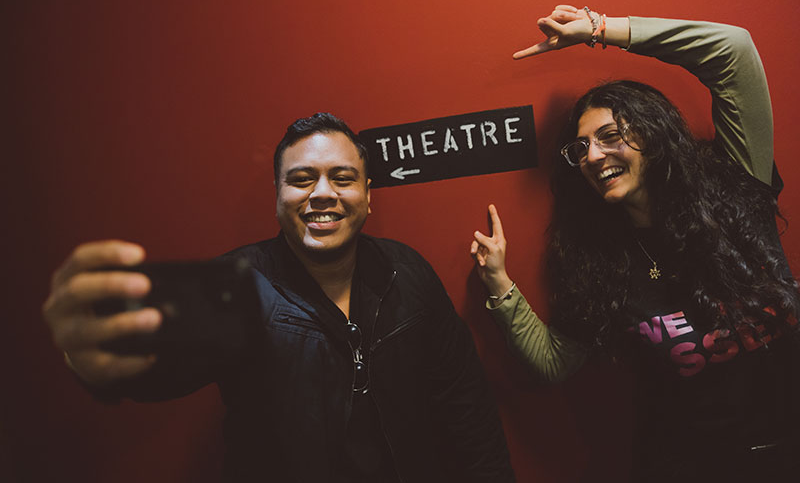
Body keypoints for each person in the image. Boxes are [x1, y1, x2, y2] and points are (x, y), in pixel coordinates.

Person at [44, 113, 515, 482]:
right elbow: (158, 368)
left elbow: (466, 406)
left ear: (369, 196)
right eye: (302, 179)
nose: (323, 194)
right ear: (278, 194)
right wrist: (89, 354)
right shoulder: (237, 287)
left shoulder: (408, 271)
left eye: (343, 178)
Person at [470, 5, 800, 480]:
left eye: (609, 136)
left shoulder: (735, 187)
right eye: (580, 148)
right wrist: (500, 285)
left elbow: (734, 50)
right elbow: (553, 363)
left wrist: (601, 29)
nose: (592, 156)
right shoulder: (601, 263)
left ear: (654, 134)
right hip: (690, 465)